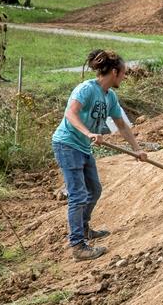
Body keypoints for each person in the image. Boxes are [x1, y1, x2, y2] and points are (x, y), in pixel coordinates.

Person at [51, 49, 146, 261]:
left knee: (94, 189)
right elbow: (70, 113)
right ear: (114, 72)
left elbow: (121, 124)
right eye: (123, 73)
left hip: (83, 147)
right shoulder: (86, 89)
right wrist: (89, 132)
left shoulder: (110, 96)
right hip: (67, 144)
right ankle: (77, 246)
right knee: (77, 194)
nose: (124, 77)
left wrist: (136, 149)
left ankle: (83, 229)